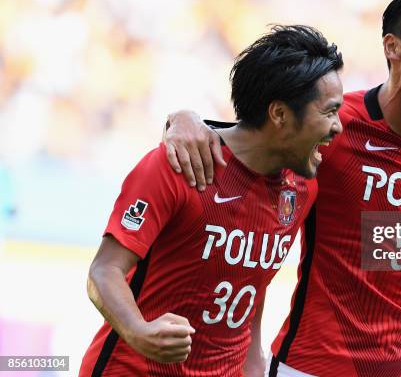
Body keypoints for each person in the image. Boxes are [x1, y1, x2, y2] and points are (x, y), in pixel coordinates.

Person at [165, 0, 401, 377]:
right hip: (314, 364)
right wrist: (184, 118)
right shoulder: (332, 126)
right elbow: (251, 161)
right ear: (393, 47)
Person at [79, 25, 344, 377]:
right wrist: (137, 331)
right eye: (328, 112)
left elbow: (252, 285)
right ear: (279, 114)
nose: (338, 126)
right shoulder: (177, 166)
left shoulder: (302, 188)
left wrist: (253, 366)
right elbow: (103, 271)